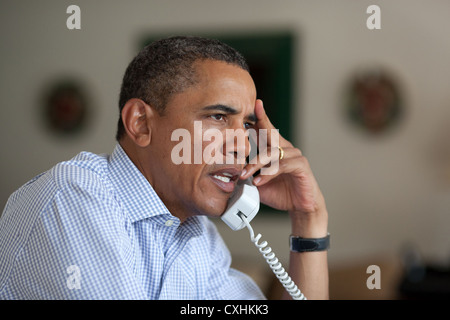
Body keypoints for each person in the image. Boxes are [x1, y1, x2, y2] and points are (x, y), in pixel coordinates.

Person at [0, 36, 329, 300]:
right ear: (140, 123)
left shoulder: (199, 236)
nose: (244, 146)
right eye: (217, 117)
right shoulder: (76, 195)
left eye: (245, 124)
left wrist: (308, 218)